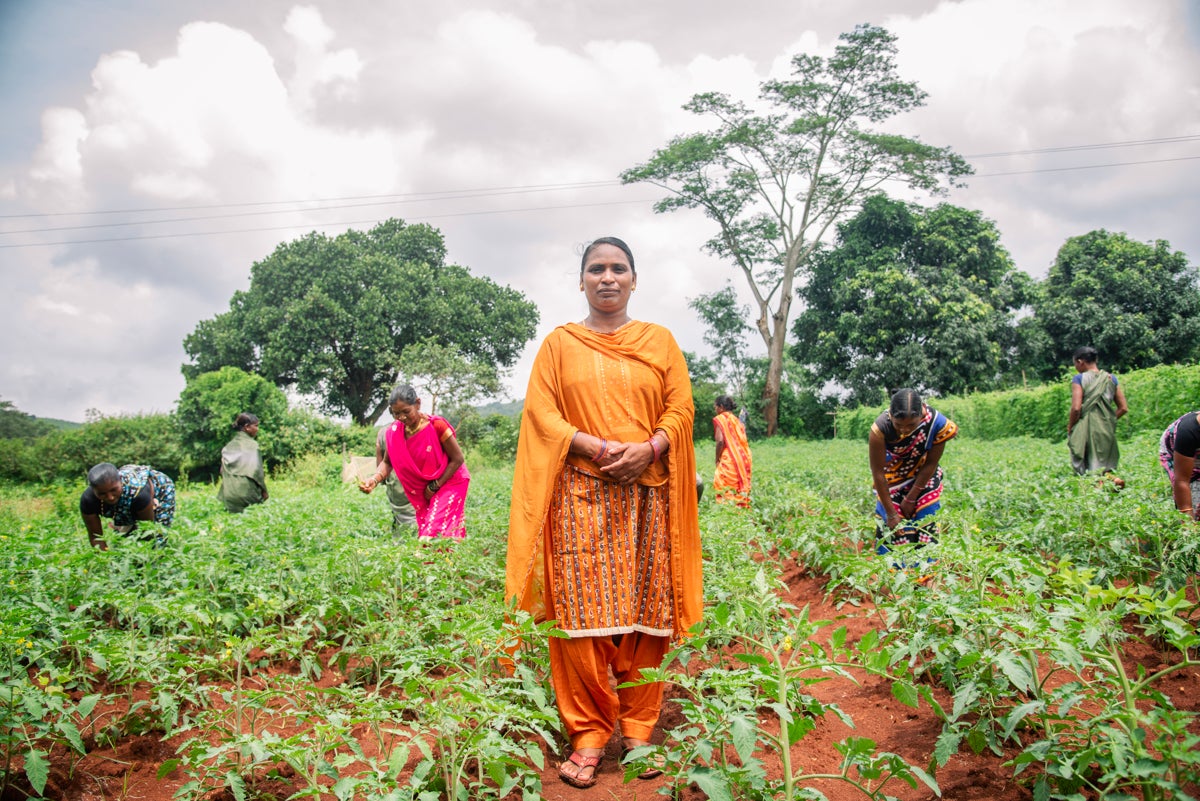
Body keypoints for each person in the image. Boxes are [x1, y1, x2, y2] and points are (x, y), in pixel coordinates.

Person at [504, 236, 702, 789]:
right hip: (578, 499)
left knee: (648, 615)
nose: (607, 277)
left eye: (618, 268)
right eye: (596, 269)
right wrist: (592, 447)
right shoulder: (557, 345)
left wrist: (651, 448)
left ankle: (639, 730)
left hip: (648, 495)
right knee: (578, 620)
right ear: (582, 281)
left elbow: (681, 407)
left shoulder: (659, 341)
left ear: (634, 280)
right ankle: (589, 734)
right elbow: (541, 412)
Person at [358, 385, 470, 540]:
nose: (402, 417)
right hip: (426, 488)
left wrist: (434, 486)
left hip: (450, 481)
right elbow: (387, 462)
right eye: (396, 414)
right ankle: (444, 562)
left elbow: (458, 459)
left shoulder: (436, 426)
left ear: (417, 404)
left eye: (406, 412)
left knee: (432, 531)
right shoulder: (394, 433)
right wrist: (374, 479)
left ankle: (429, 560)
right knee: (441, 532)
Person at [868, 389, 958, 569]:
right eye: (899, 425)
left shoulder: (937, 424)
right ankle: (894, 579)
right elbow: (878, 472)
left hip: (923, 475)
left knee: (926, 521)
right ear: (890, 414)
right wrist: (892, 513)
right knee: (892, 528)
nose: (904, 431)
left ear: (922, 413)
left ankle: (926, 575)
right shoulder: (880, 429)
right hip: (891, 478)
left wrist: (911, 497)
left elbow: (931, 463)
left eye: (911, 425)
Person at [79, 462, 176, 549]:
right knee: (121, 546)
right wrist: (106, 560)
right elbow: (96, 537)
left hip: (160, 489)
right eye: (102, 494)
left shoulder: (139, 494)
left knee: (157, 541)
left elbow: (147, 530)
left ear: (120, 481)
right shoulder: (88, 501)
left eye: (113, 490)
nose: (110, 497)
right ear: (93, 490)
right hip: (129, 501)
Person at [1067, 346, 1128, 478]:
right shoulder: (1111, 378)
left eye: (1075, 364)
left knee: (1087, 464)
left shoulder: (1079, 379)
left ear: (1080, 361)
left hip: (1087, 426)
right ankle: (1113, 481)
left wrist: (1071, 426)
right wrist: (1108, 420)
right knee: (1105, 464)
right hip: (1106, 427)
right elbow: (1123, 408)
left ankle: (1096, 487)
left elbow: (1076, 408)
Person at [217, 413, 269, 513]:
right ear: (247, 427)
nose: (257, 429)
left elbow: (222, 470)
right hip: (246, 497)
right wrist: (264, 491)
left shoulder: (229, 446)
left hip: (229, 497)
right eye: (256, 426)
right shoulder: (253, 445)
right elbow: (257, 472)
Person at [372, 423, 417, 534]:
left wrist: (378, 479)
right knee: (418, 518)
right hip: (416, 482)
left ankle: (400, 545)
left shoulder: (383, 432)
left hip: (395, 484)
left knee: (399, 518)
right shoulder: (417, 428)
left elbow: (381, 462)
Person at [1158, 410, 1200, 519]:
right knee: (1193, 513)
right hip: (1176, 452)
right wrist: (1188, 522)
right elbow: (1181, 480)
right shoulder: (1188, 431)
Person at [712, 394, 752, 507]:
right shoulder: (736, 420)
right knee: (739, 489)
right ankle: (740, 514)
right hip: (744, 459)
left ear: (721, 407)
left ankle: (729, 513)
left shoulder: (721, 419)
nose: (715, 410)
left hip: (730, 460)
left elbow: (720, 441)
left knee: (725, 488)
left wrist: (717, 459)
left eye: (715, 407)